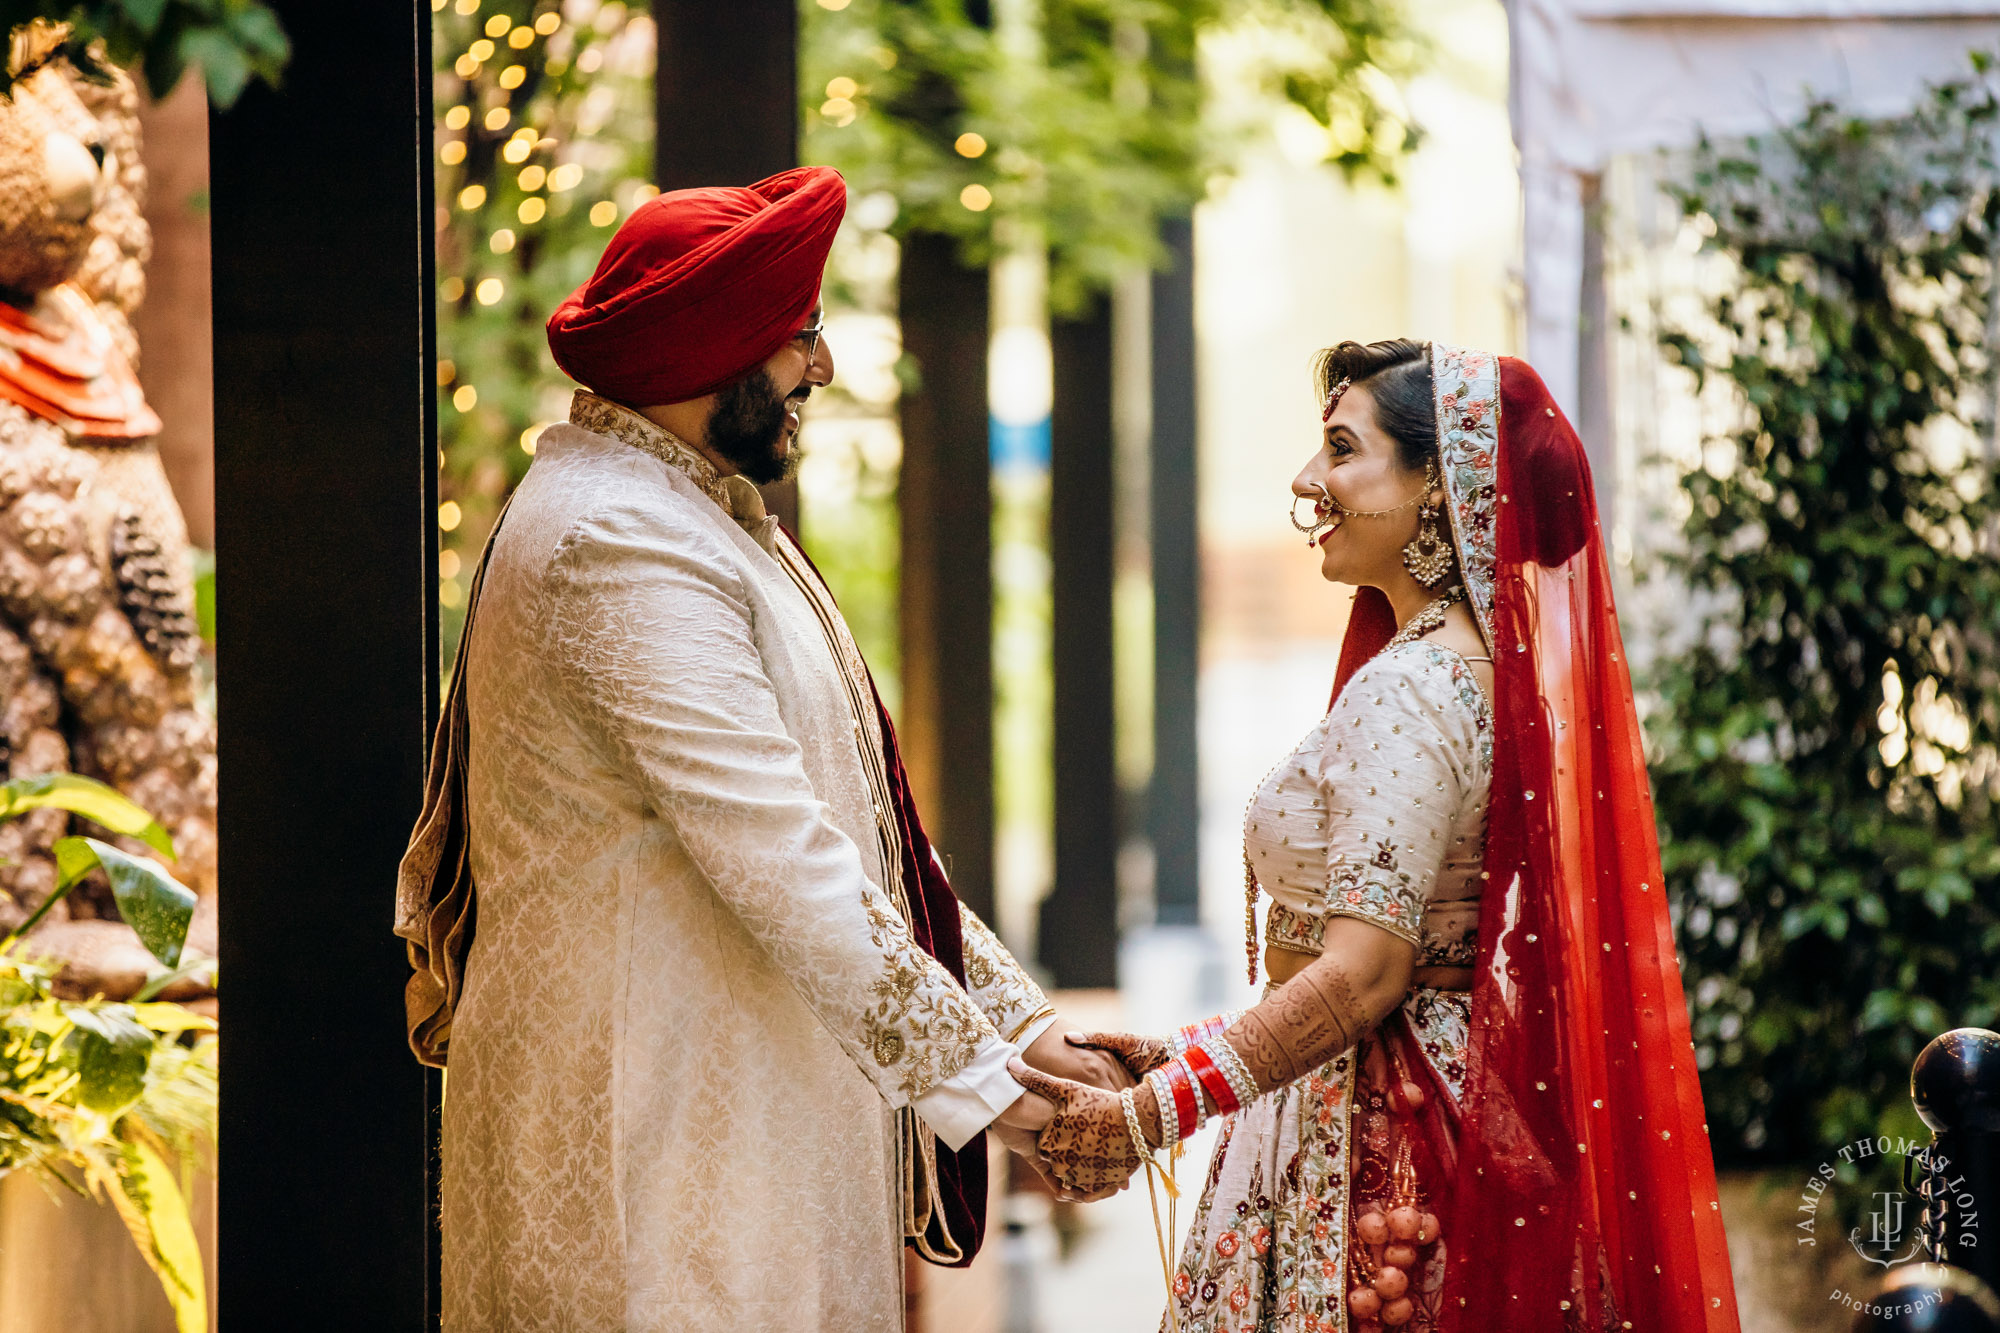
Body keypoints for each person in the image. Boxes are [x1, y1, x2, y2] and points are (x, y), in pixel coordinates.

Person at [393, 165, 1127, 1331]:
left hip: (730, 1134)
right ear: (715, 351)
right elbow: (784, 856)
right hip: (653, 1153)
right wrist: (1003, 1097)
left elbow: (862, 835)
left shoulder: (694, 512)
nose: (819, 368)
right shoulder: (618, 540)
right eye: (801, 335)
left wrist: (1027, 1029)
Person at [1012, 340, 1744, 1332]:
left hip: (1378, 1159)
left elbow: (1365, 976)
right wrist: (1187, 1052)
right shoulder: (1469, 671)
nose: (1305, 480)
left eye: (1341, 451)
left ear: (1436, 492)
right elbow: (1405, 965)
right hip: (1411, 1111)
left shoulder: (1413, 688)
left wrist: (1149, 1116)